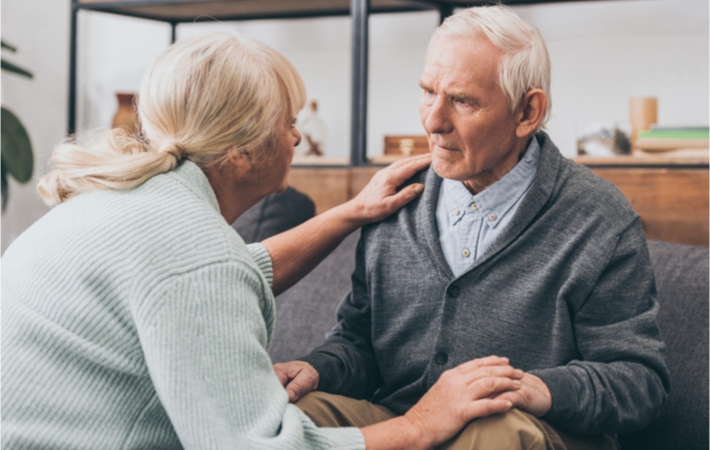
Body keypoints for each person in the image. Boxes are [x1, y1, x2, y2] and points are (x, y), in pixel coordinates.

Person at [1, 32, 529, 450]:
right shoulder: (195, 256)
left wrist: (349, 213)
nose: (297, 138)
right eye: (288, 123)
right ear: (240, 153)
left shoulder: (134, 202)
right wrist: (420, 426)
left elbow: (231, 272)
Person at [275, 6, 670, 450]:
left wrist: (537, 389)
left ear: (527, 112)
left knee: (493, 428)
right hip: (403, 420)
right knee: (289, 417)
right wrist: (319, 368)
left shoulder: (598, 218)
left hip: (526, 430)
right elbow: (359, 342)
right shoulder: (396, 198)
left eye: (462, 101)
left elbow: (639, 382)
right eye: (428, 92)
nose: (432, 121)